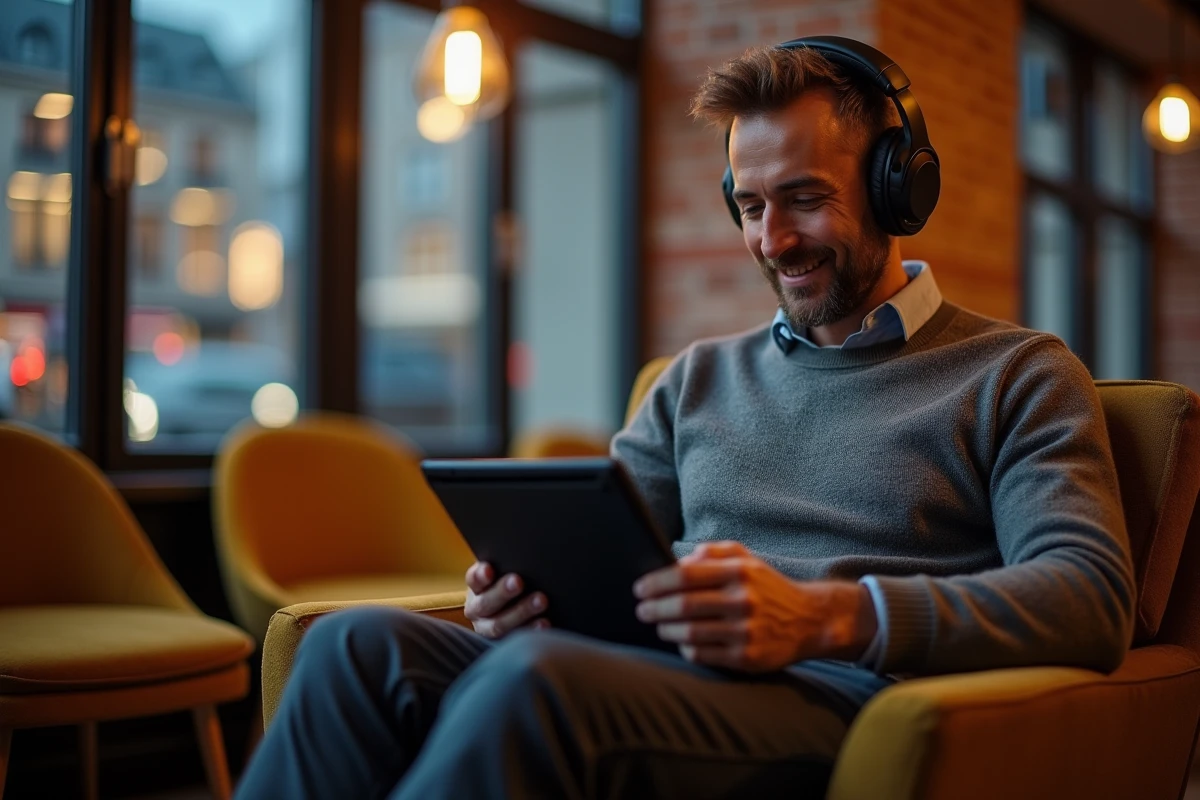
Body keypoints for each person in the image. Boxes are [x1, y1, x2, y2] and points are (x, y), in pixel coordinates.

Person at [235, 39, 1134, 799]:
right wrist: (517, 599)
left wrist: (829, 617)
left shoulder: (1017, 372)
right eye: (750, 205)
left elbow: (1088, 598)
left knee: (535, 684)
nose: (773, 240)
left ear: (900, 187)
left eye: (806, 199)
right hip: (655, 674)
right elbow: (602, 555)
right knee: (352, 645)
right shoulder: (696, 379)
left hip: (842, 698)